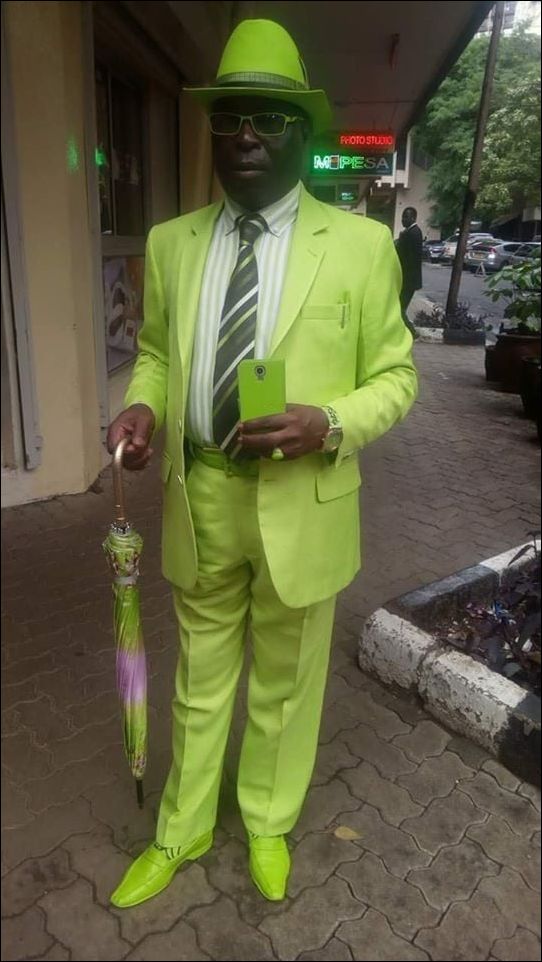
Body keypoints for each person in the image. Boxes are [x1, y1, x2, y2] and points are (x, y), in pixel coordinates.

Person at [106, 18, 418, 909]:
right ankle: (181, 829)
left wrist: (330, 421)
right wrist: (144, 404)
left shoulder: (359, 247)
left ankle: (269, 822)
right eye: (230, 116)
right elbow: (157, 353)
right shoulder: (172, 242)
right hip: (202, 492)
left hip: (303, 499)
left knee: (286, 681)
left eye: (270, 118)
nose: (246, 134)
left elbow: (398, 376)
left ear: (302, 132)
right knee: (200, 679)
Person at [395, 206, 423, 337]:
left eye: (406, 217)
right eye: (402, 217)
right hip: (409, 280)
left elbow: (404, 256)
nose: (403, 219)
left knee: (399, 309)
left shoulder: (411, 233)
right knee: (399, 308)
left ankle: (412, 332)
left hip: (408, 280)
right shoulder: (412, 232)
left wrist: (400, 240)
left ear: (413, 218)